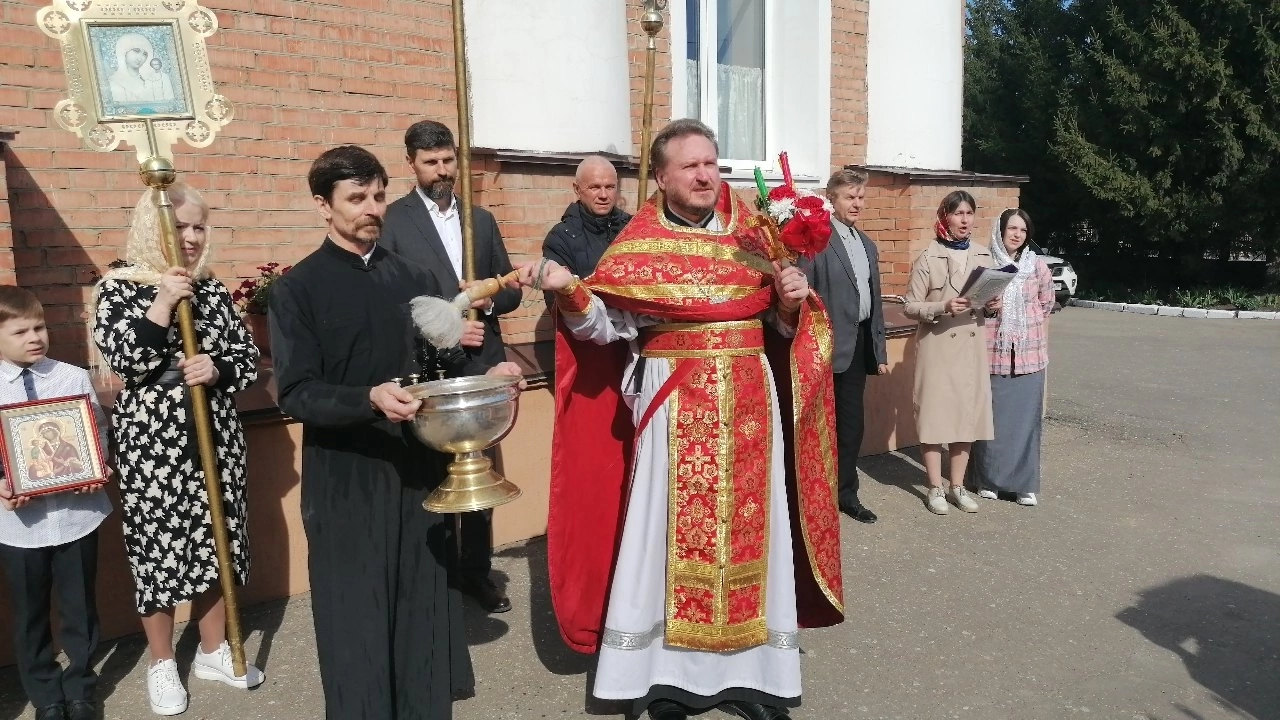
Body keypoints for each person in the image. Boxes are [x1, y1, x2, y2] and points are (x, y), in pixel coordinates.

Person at [520, 118, 844, 720]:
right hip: (674, 411)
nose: (705, 174)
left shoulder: (755, 236)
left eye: (712, 162)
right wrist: (569, 291)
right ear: (662, 176)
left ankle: (757, 678)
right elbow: (607, 328)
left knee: (757, 537)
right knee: (665, 538)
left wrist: (790, 303)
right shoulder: (638, 245)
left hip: (751, 409)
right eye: (690, 165)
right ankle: (663, 676)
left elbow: (781, 332)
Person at [269, 144, 524, 719]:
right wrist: (367, 399)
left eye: (378, 195)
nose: (371, 208)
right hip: (347, 479)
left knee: (421, 609)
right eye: (356, 198)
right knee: (356, 616)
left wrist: (490, 374)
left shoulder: (412, 277)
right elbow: (296, 391)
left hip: (417, 471)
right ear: (322, 204)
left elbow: (441, 366)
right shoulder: (297, 290)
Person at [91, 182, 263, 716]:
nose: (190, 237)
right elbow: (127, 359)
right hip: (152, 439)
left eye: (198, 227)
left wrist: (219, 368)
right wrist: (163, 301)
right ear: (152, 225)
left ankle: (212, 650)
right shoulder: (119, 286)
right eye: (180, 226)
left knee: (217, 538)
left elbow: (247, 358)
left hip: (214, 431)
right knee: (160, 547)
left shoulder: (211, 290)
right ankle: (162, 662)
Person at [380, 120, 517, 613]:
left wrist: (488, 299)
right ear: (411, 163)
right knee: (433, 473)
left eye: (447, 160)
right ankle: (433, 574)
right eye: (430, 162)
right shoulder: (393, 222)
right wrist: (447, 324)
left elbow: (513, 288)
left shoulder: (479, 220)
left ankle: (476, 572)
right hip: (428, 366)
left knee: (477, 472)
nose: (442, 171)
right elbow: (390, 298)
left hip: (481, 362)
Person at [0, 286, 111, 720]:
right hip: (18, 526)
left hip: (75, 517)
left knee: (79, 605)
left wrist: (95, 466)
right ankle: (46, 696)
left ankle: (81, 687)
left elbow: (96, 431)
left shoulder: (70, 377)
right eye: (21, 331)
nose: (35, 337)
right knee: (29, 613)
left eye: (39, 327)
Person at [903, 190, 1000, 515]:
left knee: (965, 416)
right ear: (944, 216)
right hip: (938, 347)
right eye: (958, 214)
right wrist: (943, 306)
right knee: (934, 415)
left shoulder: (984, 256)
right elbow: (910, 306)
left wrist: (994, 305)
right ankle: (934, 488)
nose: (964, 220)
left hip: (971, 349)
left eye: (969, 214)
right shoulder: (928, 257)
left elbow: (987, 301)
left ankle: (957, 486)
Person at [807, 169, 888, 524]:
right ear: (832, 200)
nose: (857, 203)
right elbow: (805, 296)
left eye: (860, 197)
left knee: (852, 426)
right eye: (849, 197)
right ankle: (813, 495)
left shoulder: (867, 244)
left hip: (856, 348)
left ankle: (846, 494)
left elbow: (877, 303)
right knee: (818, 426)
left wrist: (879, 352)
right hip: (823, 349)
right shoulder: (818, 241)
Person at [971, 208, 1054, 507]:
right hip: (995, 352)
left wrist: (1027, 327)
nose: (1017, 235)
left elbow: (1047, 303)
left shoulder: (1037, 266)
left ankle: (1024, 485)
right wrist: (991, 309)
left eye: (1022, 230)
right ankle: (989, 480)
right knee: (993, 419)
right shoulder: (987, 263)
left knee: (1025, 422)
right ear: (1000, 230)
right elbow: (975, 304)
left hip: (1029, 355)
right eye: (1012, 229)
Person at [540, 155, 632, 309]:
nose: (603, 195)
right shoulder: (560, 239)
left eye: (610, 187)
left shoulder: (632, 228)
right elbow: (561, 304)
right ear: (577, 189)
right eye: (594, 187)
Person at [107, 34, 166, 104]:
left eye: (145, 54)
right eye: (136, 51)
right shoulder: (115, 81)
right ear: (124, 52)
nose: (140, 58)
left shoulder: (151, 80)